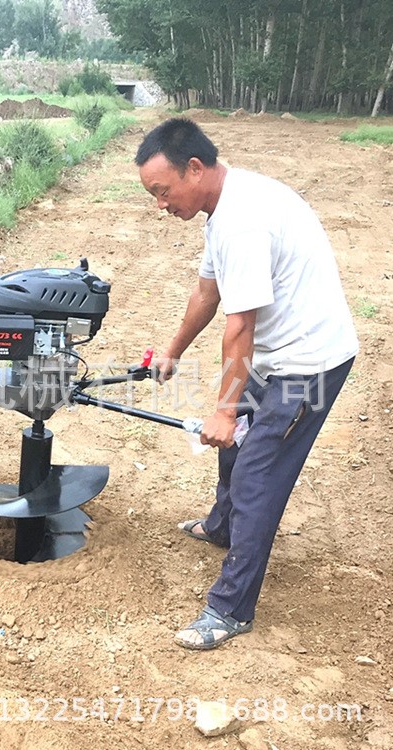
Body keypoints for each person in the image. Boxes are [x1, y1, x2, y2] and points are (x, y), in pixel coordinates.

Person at [136, 118, 358, 650]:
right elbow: (206, 296)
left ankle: (231, 608)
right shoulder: (224, 209)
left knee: (258, 472)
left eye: (162, 192)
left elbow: (240, 325)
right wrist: (172, 351)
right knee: (233, 450)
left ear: (195, 167)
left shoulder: (243, 222)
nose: (160, 205)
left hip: (309, 364)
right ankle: (222, 526)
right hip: (277, 356)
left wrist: (223, 410)